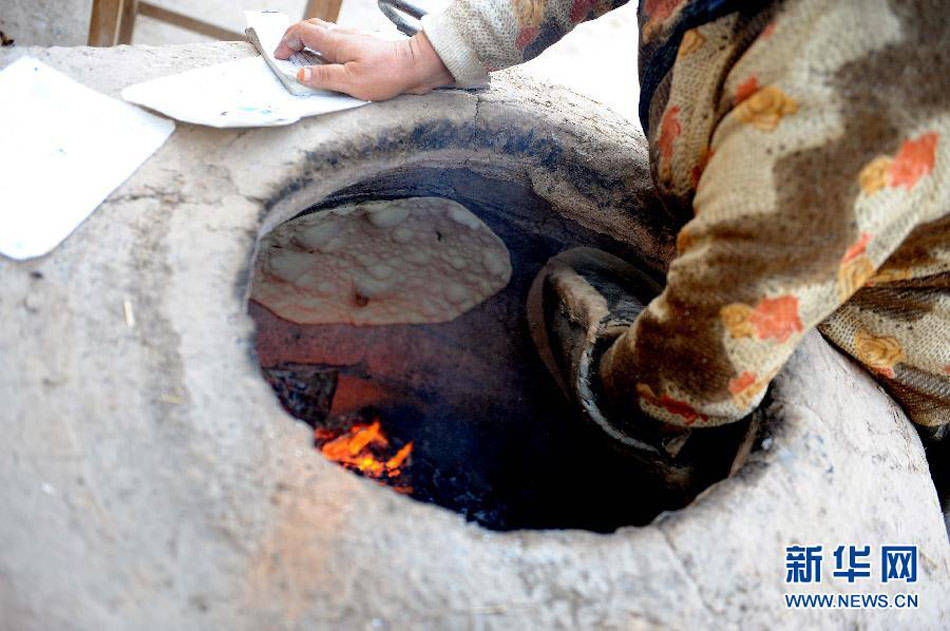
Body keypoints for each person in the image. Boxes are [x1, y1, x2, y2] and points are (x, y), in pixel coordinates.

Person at [275, 0, 950, 481]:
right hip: (767, 219)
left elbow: (709, 361)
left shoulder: (868, 74)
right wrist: (432, 53)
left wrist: (609, 383)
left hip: (877, 327)